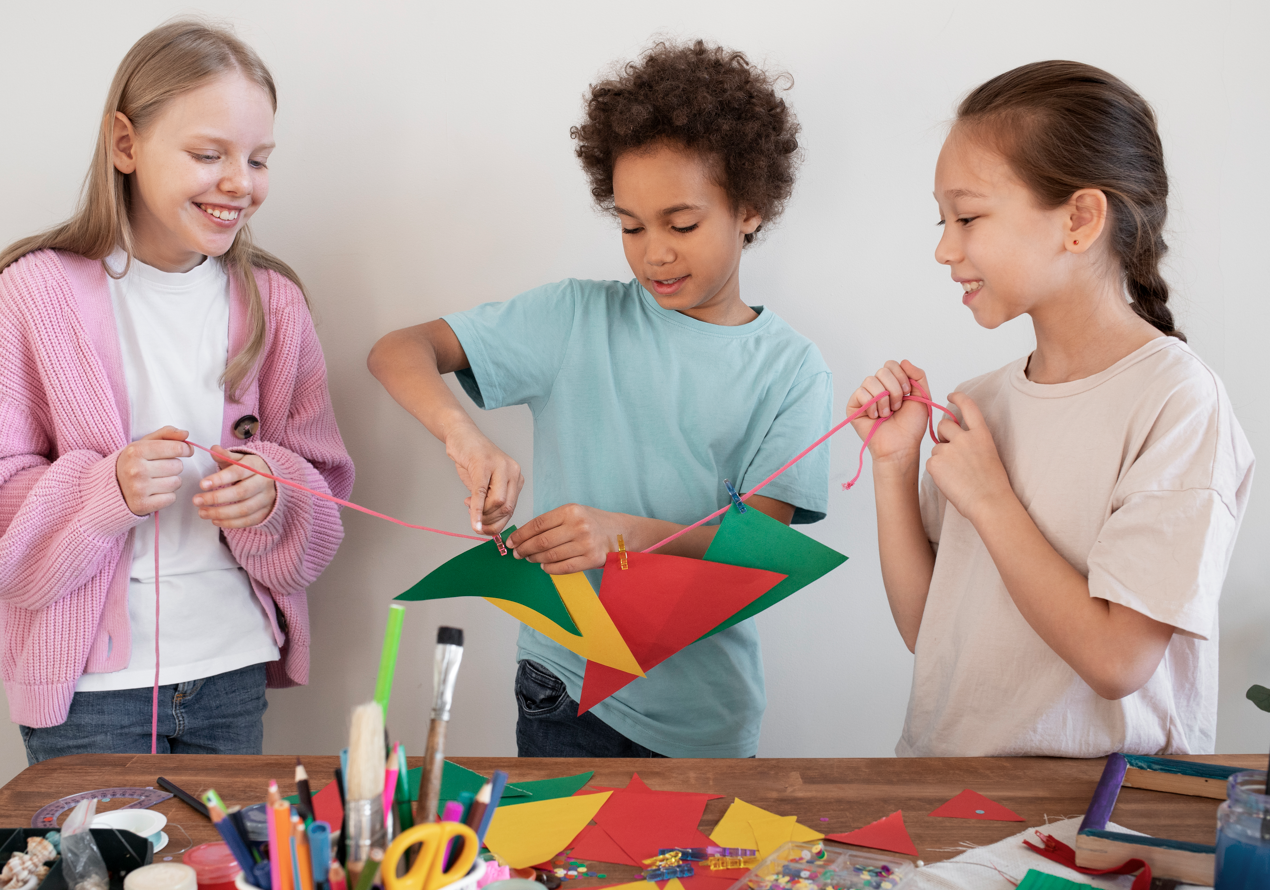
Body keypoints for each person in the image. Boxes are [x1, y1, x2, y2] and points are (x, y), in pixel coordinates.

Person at [369, 40, 831, 758]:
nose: (655, 253)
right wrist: (465, 435)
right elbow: (399, 350)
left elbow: (758, 555)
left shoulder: (792, 368)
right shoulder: (572, 320)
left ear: (750, 207)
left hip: (704, 714)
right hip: (563, 691)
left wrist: (629, 535)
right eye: (630, 225)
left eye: (681, 225)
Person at [0, 19, 353, 762]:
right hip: (91, 692)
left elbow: (326, 486)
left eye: (258, 159)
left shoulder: (276, 304)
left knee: (226, 879)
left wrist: (274, 492)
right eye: (208, 154)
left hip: (231, 670)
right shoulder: (30, 297)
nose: (239, 183)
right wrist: (103, 488)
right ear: (125, 144)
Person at [847, 61, 1254, 757]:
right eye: (942, 219)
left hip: (1094, 828)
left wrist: (991, 499)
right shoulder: (983, 401)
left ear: (1079, 218)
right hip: (949, 796)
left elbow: (1116, 661)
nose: (945, 249)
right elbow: (928, 631)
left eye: (968, 216)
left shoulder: (1177, 402)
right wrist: (893, 466)